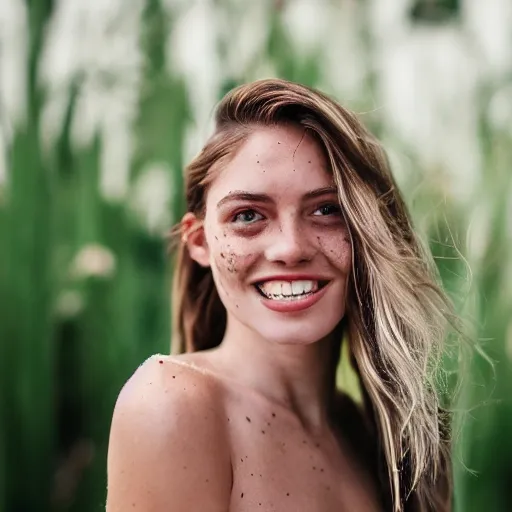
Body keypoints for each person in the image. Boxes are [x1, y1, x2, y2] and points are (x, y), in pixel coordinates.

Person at [106, 78, 453, 512]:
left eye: (327, 210)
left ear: (368, 229)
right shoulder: (173, 404)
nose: (290, 247)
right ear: (200, 243)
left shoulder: (376, 434)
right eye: (248, 215)